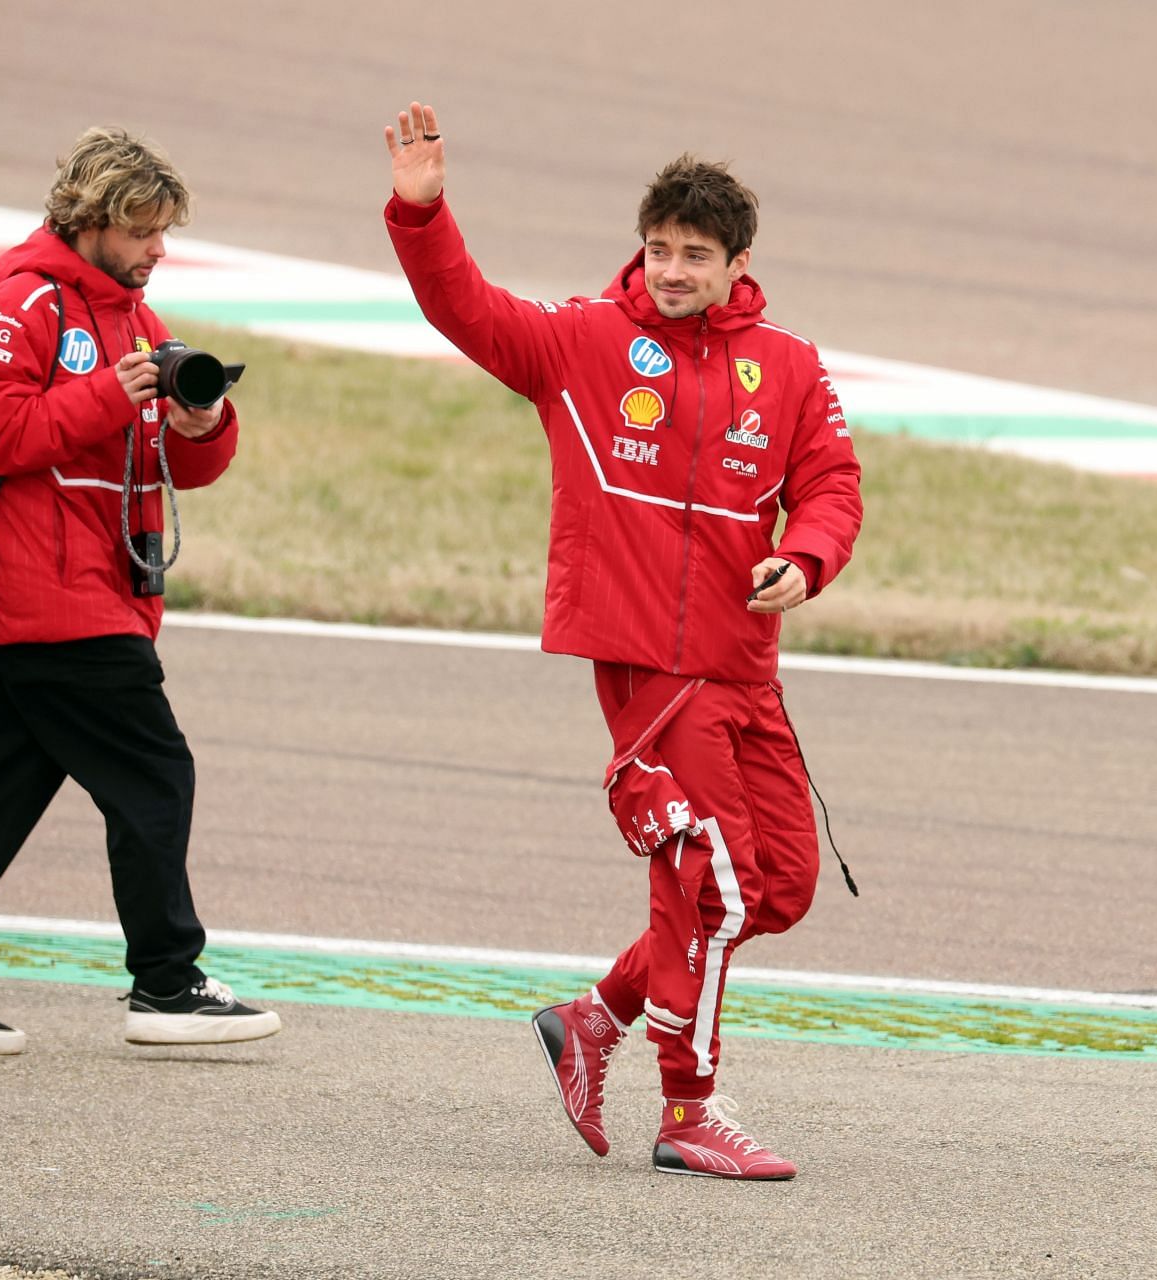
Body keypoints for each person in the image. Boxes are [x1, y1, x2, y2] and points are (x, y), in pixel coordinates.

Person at [382, 101, 864, 1181]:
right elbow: (468, 311)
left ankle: (594, 1017)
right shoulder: (585, 340)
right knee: (708, 877)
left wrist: (811, 555)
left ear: (739, 262)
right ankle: (689, 1109)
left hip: (747, 664)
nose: (672, 270)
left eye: (696, 254)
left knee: (778, 882)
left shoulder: (784, 362)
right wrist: (422, 216)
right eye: (658, 249)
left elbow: (833, 482)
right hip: (650, 667)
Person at [0, 127, 279, 1055]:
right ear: (92, 219)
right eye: (144, 230)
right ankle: (167, 985)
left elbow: (186, 465)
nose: (158, 250)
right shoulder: (24, 301)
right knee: (154, 774)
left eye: (164, 232)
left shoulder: (134, 318)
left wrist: (202, 417)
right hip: (49, 596)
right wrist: (111, 395)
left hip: (78, 591)